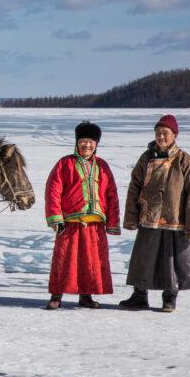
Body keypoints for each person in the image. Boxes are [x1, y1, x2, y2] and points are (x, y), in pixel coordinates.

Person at [119, 114, 190, 313]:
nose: (161, 137)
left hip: (175, 220)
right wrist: (131, 216)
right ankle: (139, 295)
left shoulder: (186, 161)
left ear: (175, 135)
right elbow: (135, 187)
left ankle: (169, 297)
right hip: (149, 217)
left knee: (171, 260)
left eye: (165, 133)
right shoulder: (146, 158)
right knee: (144, 258)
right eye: (158, 133)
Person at [44, 121, 120, 309]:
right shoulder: (65, 163)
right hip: (70, 222)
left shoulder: (102, 166)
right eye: (83, 141)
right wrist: (55, 217)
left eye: (91, 142)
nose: (87, 145)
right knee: (64, 260)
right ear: (77, 143)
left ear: (96, 144)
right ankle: (56, 295)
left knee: (91, 262)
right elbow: (53, 190)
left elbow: (111, 194)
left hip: (95, 224)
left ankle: (86, 296)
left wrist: (113, 221)